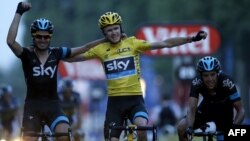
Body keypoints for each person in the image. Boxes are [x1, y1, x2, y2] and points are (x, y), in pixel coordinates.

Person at [67, 11, 207, 141]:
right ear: (104, 33)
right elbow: (72, 58)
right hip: (115, 103)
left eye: (116, 28)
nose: (114, 32)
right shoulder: (100, 49)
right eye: (109, 30)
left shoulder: (132, 43)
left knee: (141, 129)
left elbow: (165, 43)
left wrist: (191, 38)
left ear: (121, 28)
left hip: (135, 100)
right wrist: (53, 55)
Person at [6, 2, 104, 141]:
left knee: (64, 136)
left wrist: (106, 40)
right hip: (32, 107)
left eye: (46, 37)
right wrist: (19, 12)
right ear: (33, 36)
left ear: (50, 37)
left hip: (53, 105)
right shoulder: (27, 54)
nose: (42, 40)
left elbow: (84, 48)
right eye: (39, 36)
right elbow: (10, 42)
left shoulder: (56, 53)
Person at [176, 56, 245, 141]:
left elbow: (241, 110)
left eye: (212, 74)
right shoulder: (196, 82)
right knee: (182, 127)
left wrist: (233, 129)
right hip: (207, 109)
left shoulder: (226, 82)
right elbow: (191, 109)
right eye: (206, 75)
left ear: (217, 73)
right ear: (201, 75)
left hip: (224, 113)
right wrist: (190, 127)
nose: (210, 79)